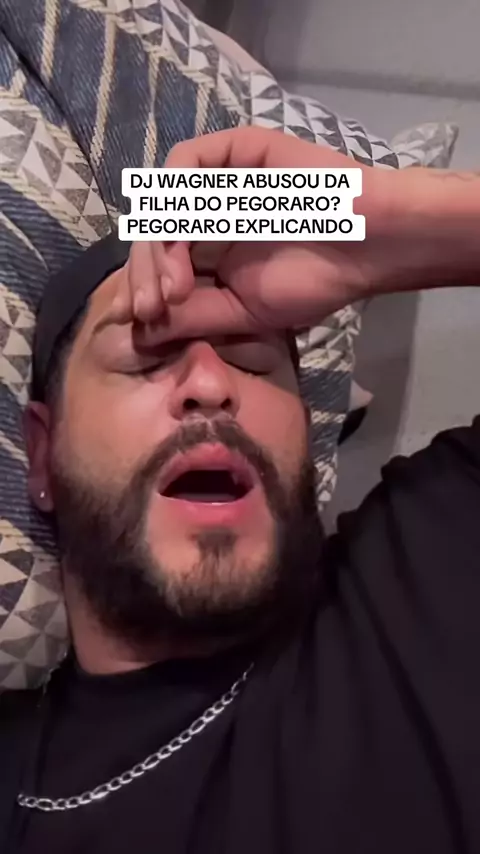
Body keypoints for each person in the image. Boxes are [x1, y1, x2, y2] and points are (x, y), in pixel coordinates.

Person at [2, 127, 480, 854]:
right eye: (148, 354)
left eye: (253, 361)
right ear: (42, 454)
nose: (210, 384)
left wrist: (370, 220)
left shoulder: (428, 570)